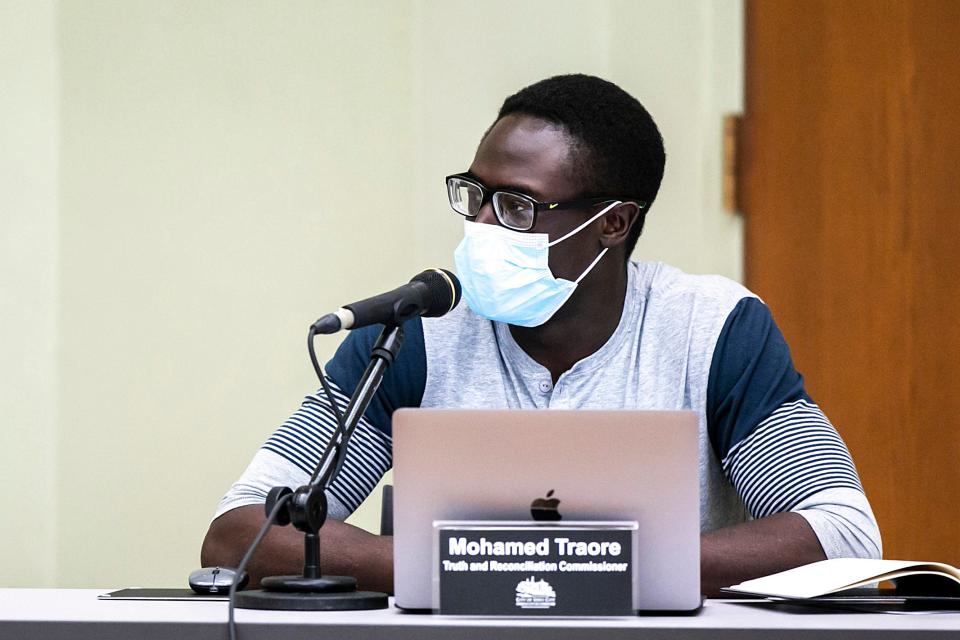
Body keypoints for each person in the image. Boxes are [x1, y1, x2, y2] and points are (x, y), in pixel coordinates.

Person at [201, 74, 881, 596]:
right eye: (476, 195)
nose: (485, 225)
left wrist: (584, 565)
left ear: (612, 223)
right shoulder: (416, 332)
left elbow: (844, 534)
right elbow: (240, 529)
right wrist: (471, 566)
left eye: (519, 206)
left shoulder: (713, 329)